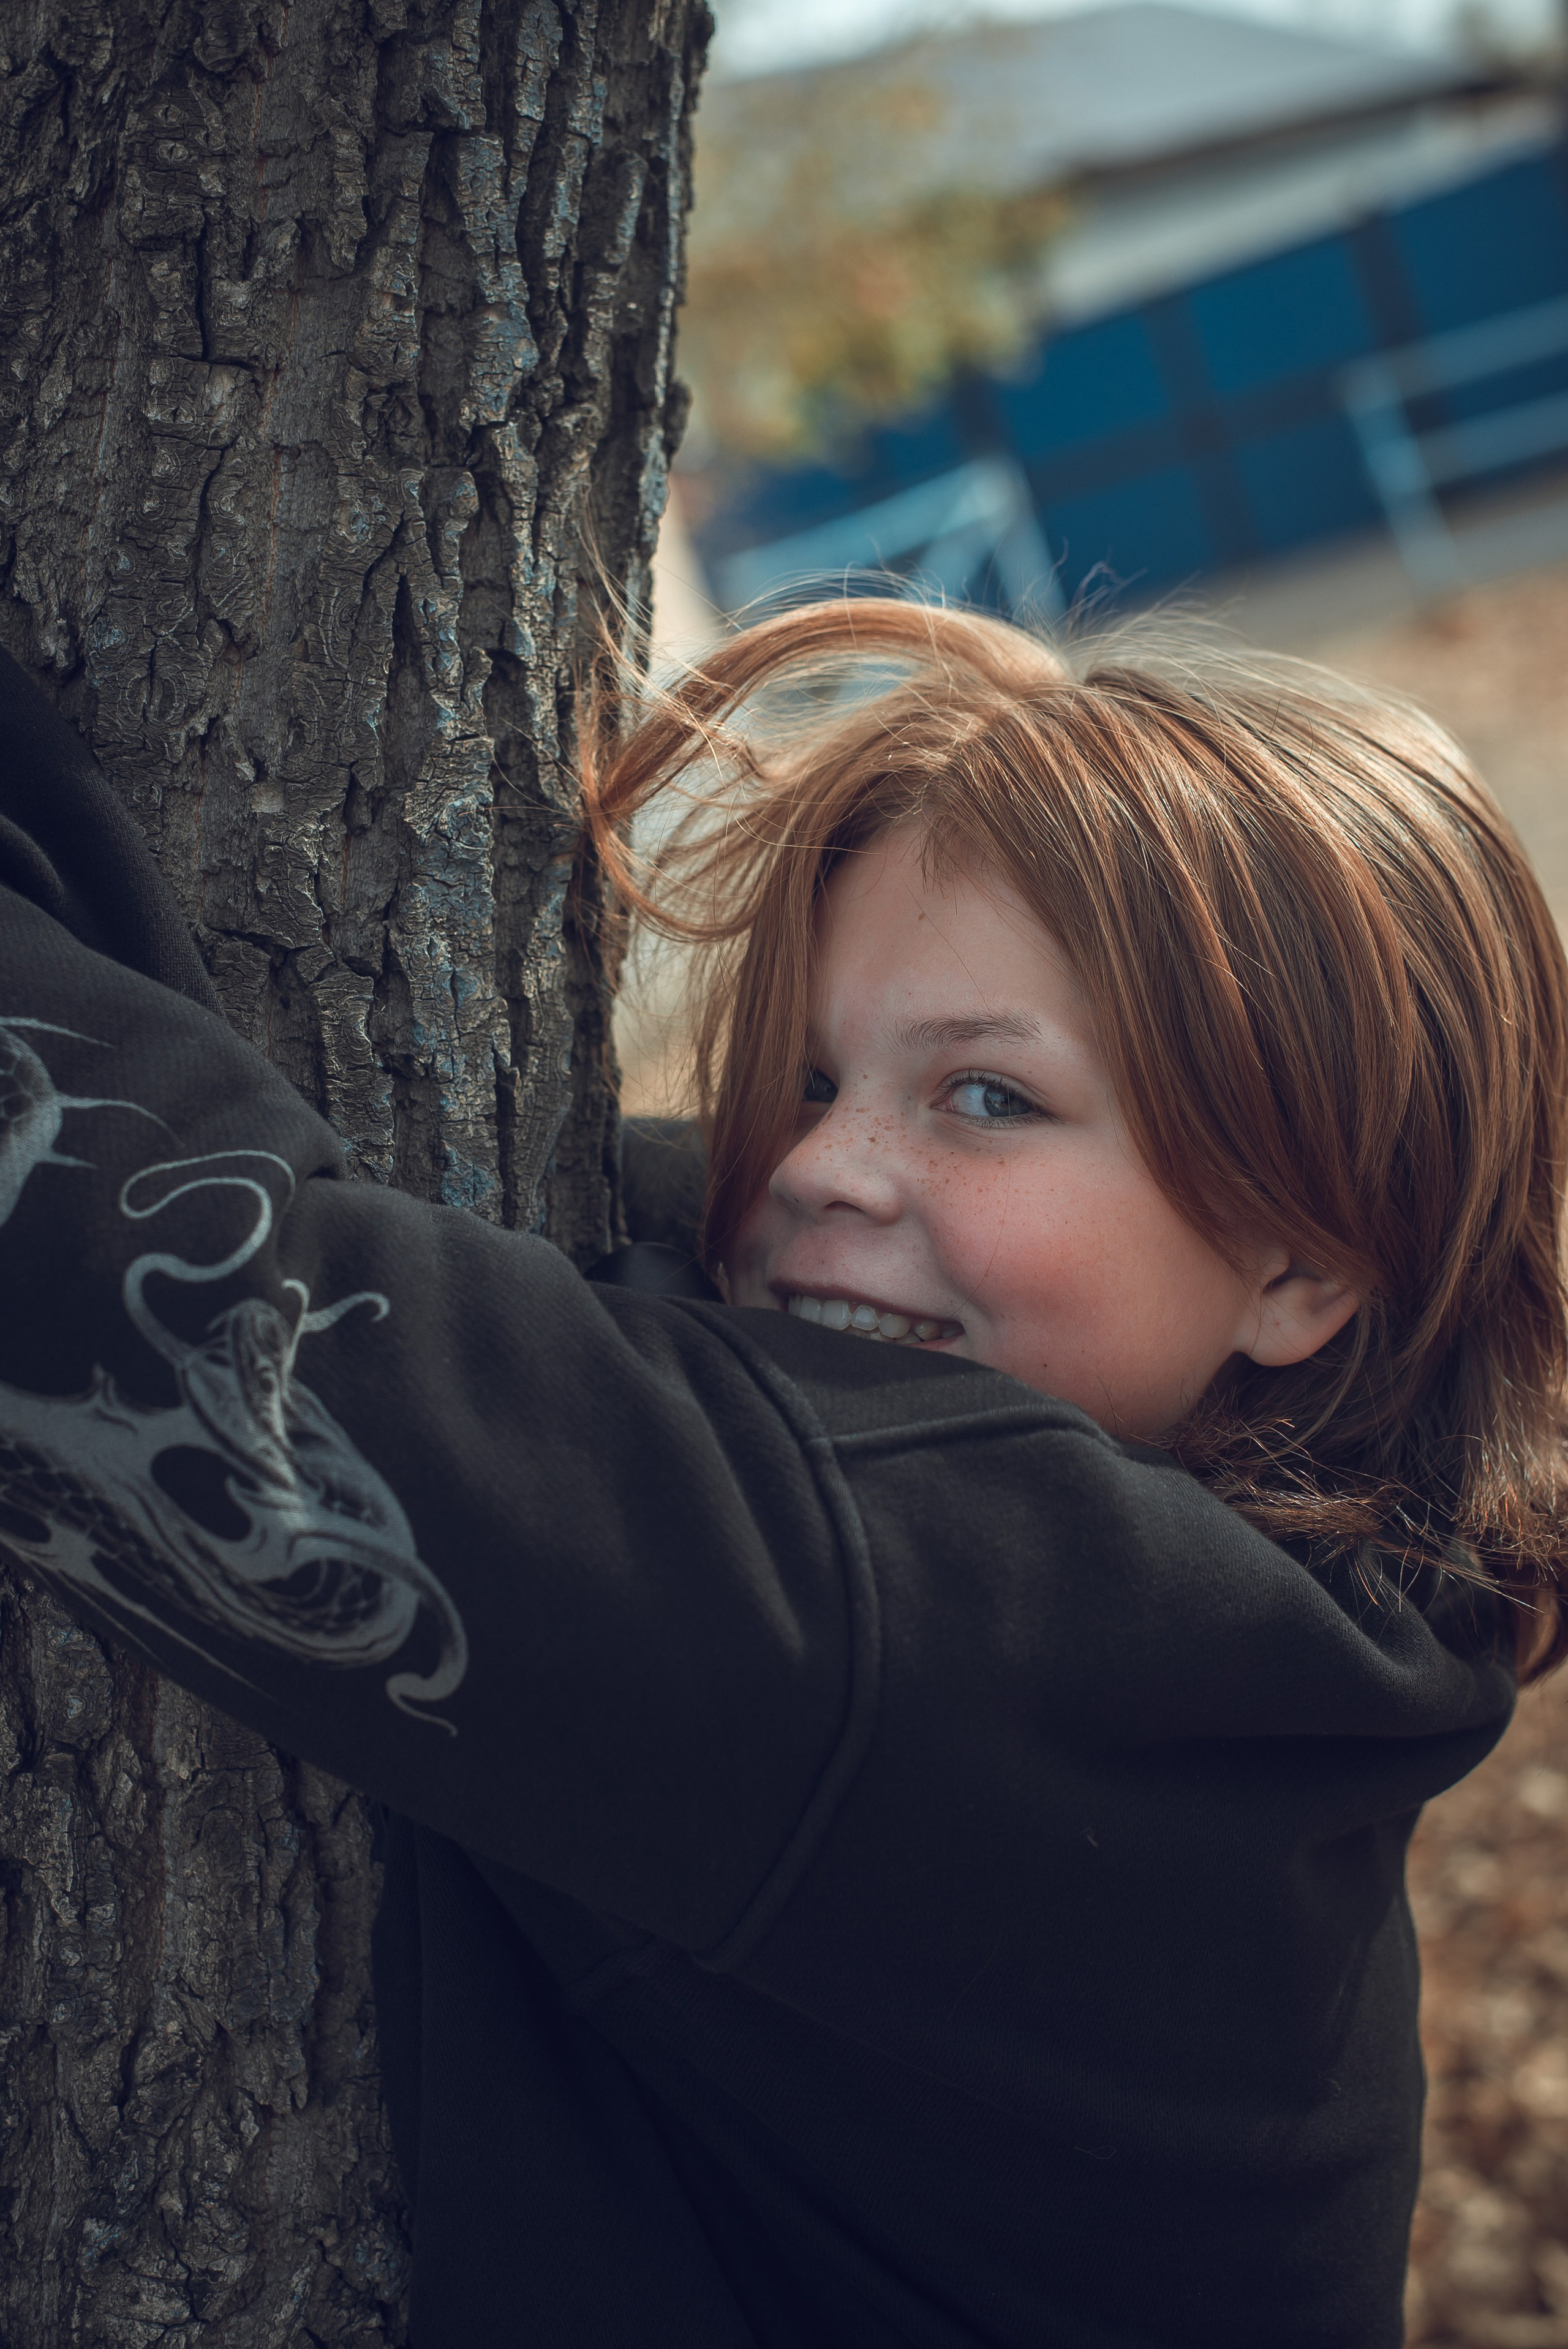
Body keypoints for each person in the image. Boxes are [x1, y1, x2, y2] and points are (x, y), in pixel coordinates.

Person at [0, 595, 1561, 2349]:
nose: (824, 1165)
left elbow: (153, 1286)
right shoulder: (1294, 1649)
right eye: (809, 1079)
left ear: (1304, 1261)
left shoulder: (947, 1631)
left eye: (988, 1097)